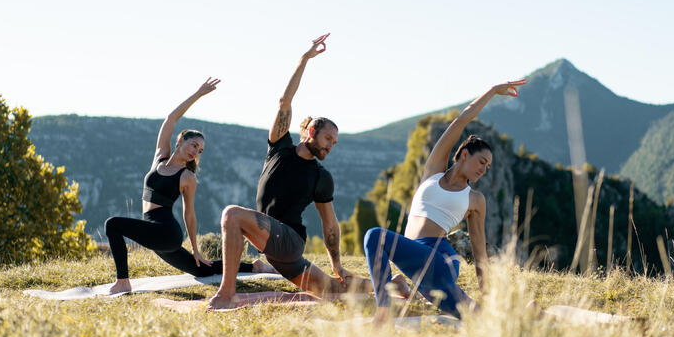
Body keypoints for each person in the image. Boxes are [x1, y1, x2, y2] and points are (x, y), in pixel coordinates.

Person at [207, 34, 408, 309]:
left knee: (231, 214)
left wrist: (337, 263)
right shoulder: (280, 148)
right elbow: (284, 102)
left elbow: (330, 225)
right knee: (329, 289)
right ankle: (392, 284)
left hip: (288, 240)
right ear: (311, 132)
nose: (330, 147)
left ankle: (226, 294)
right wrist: (304, 60)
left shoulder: (321, 176)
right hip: (276, 248)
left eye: (334, 143)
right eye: (328, 139)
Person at [363, 78, 526, 321]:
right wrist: (491, 91)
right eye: (482, 162)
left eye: (488, 166)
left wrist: (487, 291)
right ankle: (386, 309)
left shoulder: (475, 199)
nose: (484, 169)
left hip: (441, 261)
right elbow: (461, 120)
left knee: (375, 235)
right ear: (464, 154)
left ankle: (384, 315)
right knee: (479, 318)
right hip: (417, 262)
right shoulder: (434, 171)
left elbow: (479, 250)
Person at [105, 78, 271, 294]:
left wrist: (195, 248)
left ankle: (123, 282)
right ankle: (254, 266)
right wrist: (198, 94)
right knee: (201, 271)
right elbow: (171, 118)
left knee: (112, 224)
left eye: (200, 150)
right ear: (180, 140)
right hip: (152, 230)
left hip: (165, 232)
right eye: (193, 145)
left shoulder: (187, 177)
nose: (195, 151)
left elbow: (189, 214)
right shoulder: (160, 157)